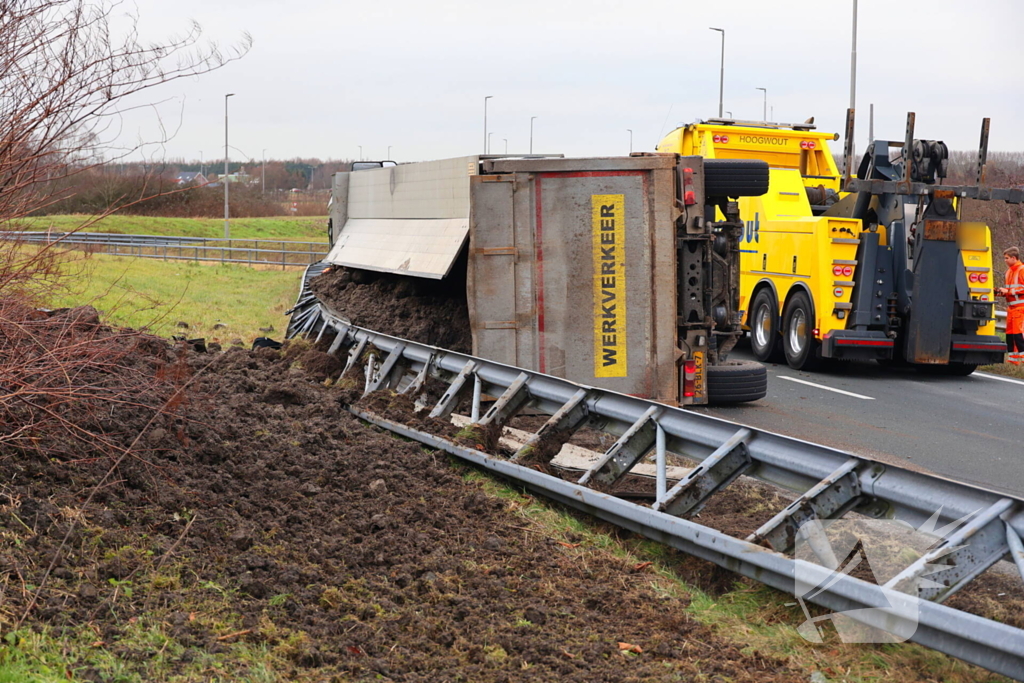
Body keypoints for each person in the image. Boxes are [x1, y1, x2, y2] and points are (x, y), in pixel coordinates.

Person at [996, 246, 1024, 365]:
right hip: (1011, 308)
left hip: (1020, 308)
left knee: (1018, 334)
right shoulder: (1008, 272)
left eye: (1007, 258)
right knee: (1010, 334)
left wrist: (1007, 292)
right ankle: (1013, 359)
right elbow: (1009, 290)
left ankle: (1022, 357)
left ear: (1014, 258)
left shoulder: (1022, 270)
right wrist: (999, 292)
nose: (1005, 260)